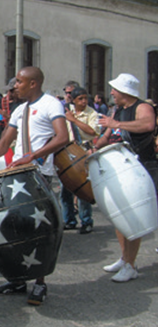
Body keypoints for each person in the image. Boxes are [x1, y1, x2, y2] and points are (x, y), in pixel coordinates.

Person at [0, 66, 69, 305]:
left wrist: (34, 155)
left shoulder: (51, 104)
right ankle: (18, 278)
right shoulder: (20, 110)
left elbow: (63, 137)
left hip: (38, 174)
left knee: (38, 230)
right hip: (17, 175)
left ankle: (40, 283)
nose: (15, 87)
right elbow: (5, 140)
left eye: (20, 82)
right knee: (15, 228)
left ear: (33, 83)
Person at [95, 73, 157, 283]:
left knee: (133, 214)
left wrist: (117, 124)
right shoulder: (118, 110)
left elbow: (147, 125)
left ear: (124, 92)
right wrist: (93, 149)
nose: (111, 92)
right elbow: (106, 135)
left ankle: (131, 265)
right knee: (119, 213)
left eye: (114, 89)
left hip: (142, 166)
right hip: (122, 166)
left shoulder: (141, 107)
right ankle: (124, 258)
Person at [61, 86, 100, 234]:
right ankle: (69, 220)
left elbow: (92, 131)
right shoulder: (66, 112)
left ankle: (86, 220)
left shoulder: (91, 113)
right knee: (66, 189)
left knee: (82, 188)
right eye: (80, 99)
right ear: (74, 100)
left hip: (83, 151)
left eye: (85, 98)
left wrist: (74, 121)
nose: (84, 102)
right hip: (67, 152)